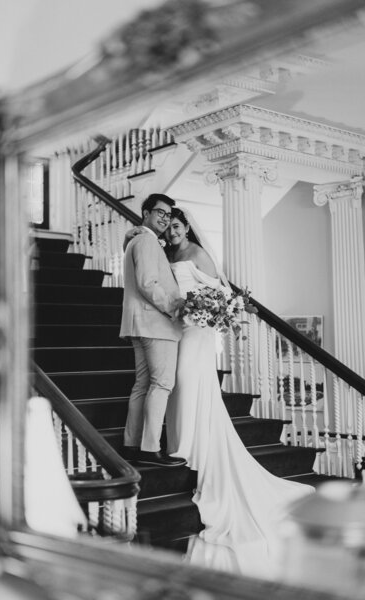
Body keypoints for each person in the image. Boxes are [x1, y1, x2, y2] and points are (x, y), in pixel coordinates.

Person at [125, 206, 314, 565]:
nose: (173, 232)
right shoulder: (163, 251)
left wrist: (206, 311)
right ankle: (180, 443)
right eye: (170, 227)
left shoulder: (197, 254)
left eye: (178, 226)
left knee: (185, 383)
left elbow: (222, 294)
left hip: (195, 333)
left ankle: (190, 447)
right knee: (174, 387)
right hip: (175, 330)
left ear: (187, 227)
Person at [120, 193, 186, 468]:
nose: (165, 218)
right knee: (161, 385)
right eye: (160, 212)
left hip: (140, 324)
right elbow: (148, 284)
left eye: (169, 215)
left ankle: (131, 445)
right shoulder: (146, 240)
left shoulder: (136, 239)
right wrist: (175, 307)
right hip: (156, 324)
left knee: (142, 385)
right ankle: (150, 449)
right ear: (146, 213)